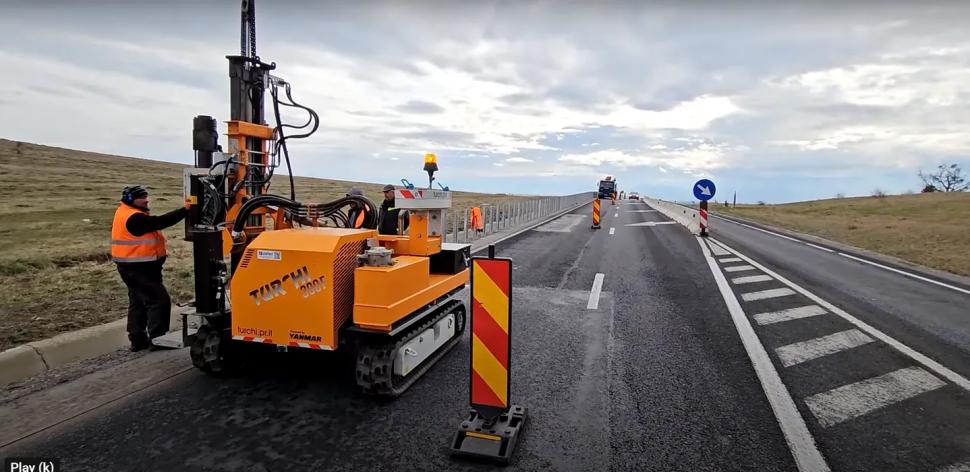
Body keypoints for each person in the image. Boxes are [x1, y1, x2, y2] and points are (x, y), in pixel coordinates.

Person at [110, 185, 189, 351]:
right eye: (142, 197)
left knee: (138, 301)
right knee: (159, 301)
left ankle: (137, 340)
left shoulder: (124, 211)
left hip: (131, 266)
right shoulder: (134, 218)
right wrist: (185, 210)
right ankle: (158, 340)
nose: (146, 200)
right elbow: (159, 222)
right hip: (139, 268)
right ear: (131, 200)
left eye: (147, 196)